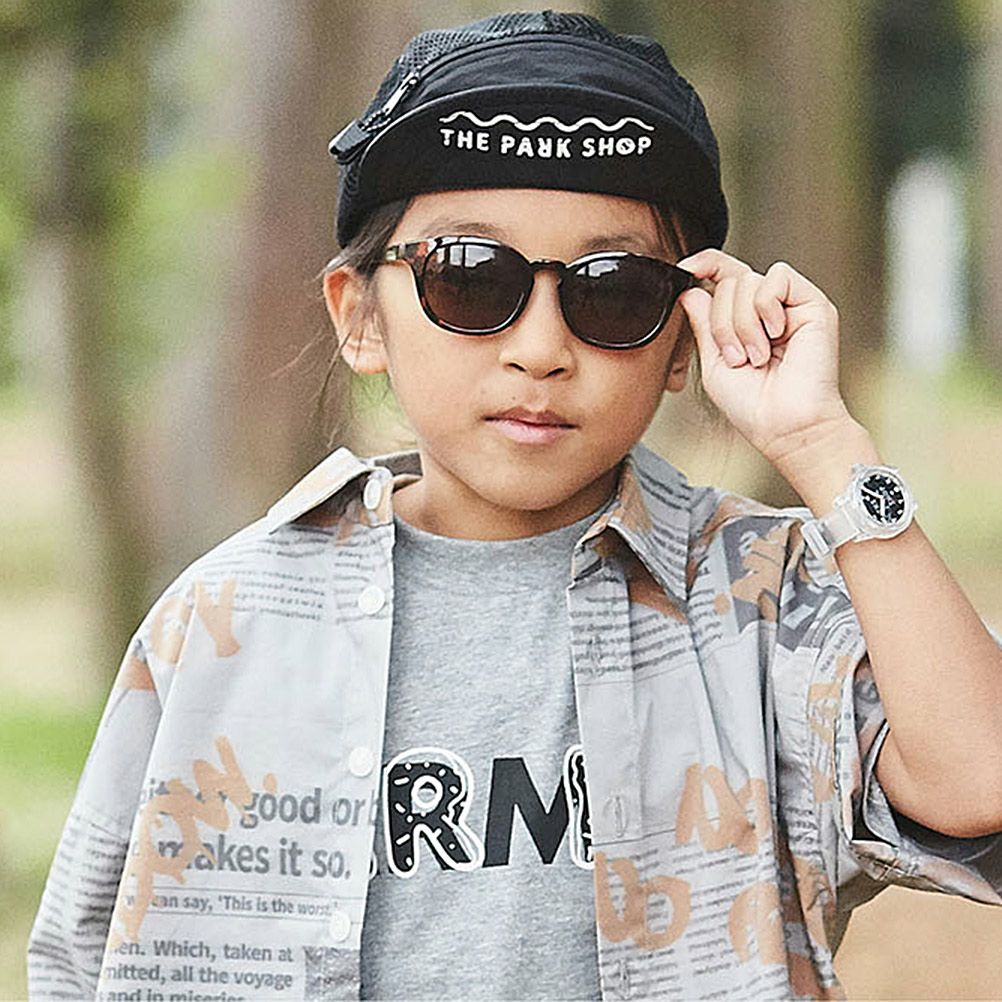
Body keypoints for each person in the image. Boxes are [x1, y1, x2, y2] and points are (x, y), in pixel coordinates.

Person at [28, 10, 1002, 1001]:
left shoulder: (763, 603)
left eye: (614, 291)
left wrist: (825, 447)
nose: (540, 349)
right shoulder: (225, 621)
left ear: (680, 342)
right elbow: (83, 963)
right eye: (470, 277)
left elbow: (978, 783)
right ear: (361, 317)